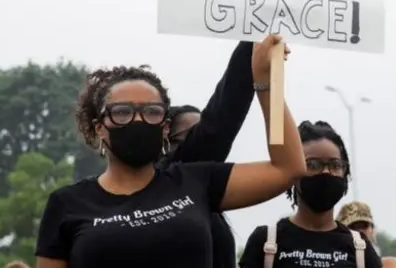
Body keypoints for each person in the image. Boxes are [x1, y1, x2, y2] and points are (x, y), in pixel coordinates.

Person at [35, 35, 306, 268]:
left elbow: (288, 168)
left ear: (165, 127)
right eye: (122, 112)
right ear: (100, 128)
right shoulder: (66, 205)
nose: (138, 120)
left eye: (151, 112)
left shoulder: (196, 182)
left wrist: (267, 84)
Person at [159, 41, 257, 268]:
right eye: (193, 134)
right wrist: (251, 47)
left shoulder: (210, 201)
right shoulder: (165, 185)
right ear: (167, 143)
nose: (200, 140)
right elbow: (221, 120)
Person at [239, 121, 382, 268]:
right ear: (294, 172)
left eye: (335, 165)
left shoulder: (361, 250)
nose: (326, 172)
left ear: (345, 173)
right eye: (313, 165)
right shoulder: (266, 241)